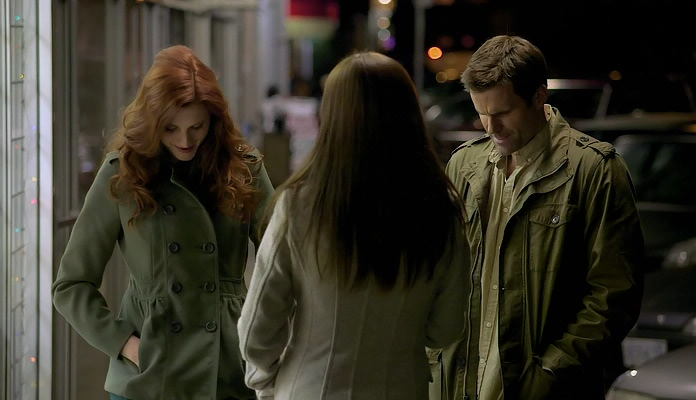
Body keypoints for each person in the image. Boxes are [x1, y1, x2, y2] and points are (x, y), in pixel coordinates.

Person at [237, 52, 471, 400]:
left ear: (331, 117)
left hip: (309, 388)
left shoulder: (299, 206)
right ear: (410, 116)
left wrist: (268, 383)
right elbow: (445, 329)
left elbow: (257, 328)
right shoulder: (442, 210)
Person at [52, 45, 275, 400]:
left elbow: (284, 262)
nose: (185, 140)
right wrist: (128, 346)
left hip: (227, 371)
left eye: (197, 126)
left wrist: (265, 339)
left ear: (214, 120)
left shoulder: (243, 169)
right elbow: (71, 285)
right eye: (171, 128)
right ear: (152, 121)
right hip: (148, 377)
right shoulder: (123, 174)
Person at [431, 35, 645, 400]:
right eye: (481, 113)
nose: (490, 127)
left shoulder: (594, 170)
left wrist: (548, 376)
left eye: (502, 113)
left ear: (538, 97)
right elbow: (440, 272)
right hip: (460, 385)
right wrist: (434, 361)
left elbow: (613, 297)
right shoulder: (463, 164)